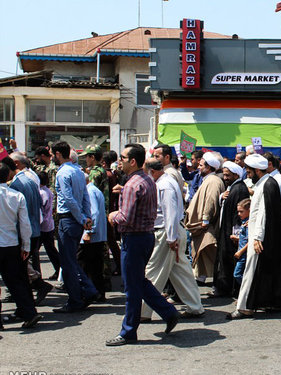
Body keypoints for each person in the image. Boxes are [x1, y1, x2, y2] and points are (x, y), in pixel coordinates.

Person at [106, 144, 179, 346]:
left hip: (135, 238)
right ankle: (168, 312)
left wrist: (113, 216)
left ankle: (128, 331)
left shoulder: (133, 184)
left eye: (122, 158)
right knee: (139, 282)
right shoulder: (146, 179)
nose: (119, 161)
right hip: (145, 236)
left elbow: (125, 217)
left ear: (133, 161)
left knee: (132, 287)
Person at [227, 154, 281, 319]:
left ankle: (244, 307)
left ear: (257, 170)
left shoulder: (268, 185)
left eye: (249, 171)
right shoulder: (265, 183)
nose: (247, 174)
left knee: (250, 272)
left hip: (259, 238)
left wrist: (257, 238)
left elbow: (265, 214)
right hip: (259, 235)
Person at [140, 159, 204, 321]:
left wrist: (170, 237)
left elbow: (170, 213)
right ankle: (195, 307)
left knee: (153, 272)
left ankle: (142, 312)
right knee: (181, 272)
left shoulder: (164, 185)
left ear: (152, 172)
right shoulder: (165, 182)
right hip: (171, 232)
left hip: (167, 233)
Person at [51, 141, 101, 313]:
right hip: (76, 219)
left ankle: (76, 299)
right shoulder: (78, 171)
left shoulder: (63, 173)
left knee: (68, 262)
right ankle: (87, 291)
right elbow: (84, 197)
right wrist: (85, 217)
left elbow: (69, 199)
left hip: (68, 219)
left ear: (58, 154)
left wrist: (82, 217)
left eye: (53, 154)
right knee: (71, 260)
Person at [0, 163, 42, 329]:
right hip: (11, 244)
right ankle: (29, 312)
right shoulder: (16, 196)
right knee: (15, 281)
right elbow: (25, 224)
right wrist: (26, 246)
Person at [185, 153, 225, 284]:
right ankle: (200, 276)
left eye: (201, 166)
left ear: (209, 167)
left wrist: (205, 220)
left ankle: (221, 280)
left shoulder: (213, 181)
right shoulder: (207, 179)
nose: (199, 168)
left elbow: (211, 201)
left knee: (209, 248)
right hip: (202, 224)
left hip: (206, 224)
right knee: (201, 251)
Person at [213, 161, 249, 296]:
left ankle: (230, 289)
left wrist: (237, 234)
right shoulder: (232, 188)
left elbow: (240, 215)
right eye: (224, 175)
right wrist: (221, 197)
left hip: (232, 233)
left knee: (230, 260)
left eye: (228, 175)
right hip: (226, 230)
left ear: (235, 175)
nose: (225, 178)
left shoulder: (239, 189)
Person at [77, 175, 107, 299]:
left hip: (92, 236)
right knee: (95, 266)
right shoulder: (93, 190)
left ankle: (93, 293)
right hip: (96, 235)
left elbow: (93, 212)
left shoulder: (89, 191)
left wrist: (89, 232)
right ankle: (98, 293)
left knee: (88, 265)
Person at [36, 171, 61, 280]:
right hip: (48, 223)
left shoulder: (41, 193)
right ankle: (59, 269)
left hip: (43, 225)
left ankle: (37, 274)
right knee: (51, 249)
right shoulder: (48, 191)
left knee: (36, 251)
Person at [84, 144, 109, 213]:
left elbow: (91, 194)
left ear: (92, 157)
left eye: (86, 156)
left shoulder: (94, 173)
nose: (86, 159)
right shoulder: (101, 170)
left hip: (96, 209)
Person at [232, 198, 250, 287]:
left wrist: (240, 252)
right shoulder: (244, 222)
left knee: (237, 274)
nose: (239, 214)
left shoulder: (248, 224)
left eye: (241, 211)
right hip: (242, 252)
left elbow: (250, 241)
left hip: (244, 254)